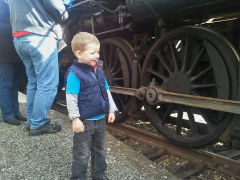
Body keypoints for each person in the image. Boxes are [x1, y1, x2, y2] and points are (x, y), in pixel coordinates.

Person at [7, 0, 69, 135]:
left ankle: (32, 120)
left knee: (34, 81)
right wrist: (65, 14)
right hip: (40, 36)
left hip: (19, 38)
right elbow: (57, 8)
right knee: (47, 84)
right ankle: (39, 123)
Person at [66, 32, 118, 180]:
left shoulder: (98, 69)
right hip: (84, 121)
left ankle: (99, 174)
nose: (97, 55)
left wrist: (111, 109)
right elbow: (71, 97)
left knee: (101, 149)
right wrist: (75, 118)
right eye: (92, 52)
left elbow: (106, 90)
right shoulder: (74, 74)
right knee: (82, 153)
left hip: (100, 119)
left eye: (98, 52)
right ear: (79, 53)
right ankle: (78, 177)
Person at [0, 0, 26, 125]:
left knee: (15, 84)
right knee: (6, 84)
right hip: (4, 53)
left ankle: (16, 112)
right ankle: (7, 114)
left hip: (17, 51)